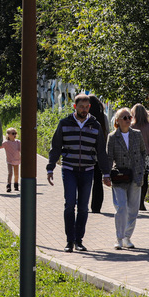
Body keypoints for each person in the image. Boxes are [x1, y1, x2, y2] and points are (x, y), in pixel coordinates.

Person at [47, 92, 111, 252]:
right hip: (69, 169)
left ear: (89, 107)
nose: (84, 109)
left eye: (86, 107)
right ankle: (69, 241)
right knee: (70, 204)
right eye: (81, 107)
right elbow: (56, 146)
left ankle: (79, 240)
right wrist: (50, 166)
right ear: (75, 107)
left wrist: (106, 173)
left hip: (87, 170)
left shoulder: (95, 126)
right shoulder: (65, 123)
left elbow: (101, 151)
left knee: (83, 207)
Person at [107, 107, 145, 249]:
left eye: (129, 117)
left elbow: (143, 152)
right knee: (121, 207)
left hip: (136, 176)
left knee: (133, 209)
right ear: (117, 120)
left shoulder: (137, 134)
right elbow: (109, 157)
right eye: (124, 118)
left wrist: (141, 169)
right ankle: (119, 238)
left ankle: (127, 237)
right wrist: (106, 175)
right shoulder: (112, 137)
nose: (128, 120)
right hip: (120, 177)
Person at [130, 104, 149, 211]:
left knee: (135, 179)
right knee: (145, 179)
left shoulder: (132, 126)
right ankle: (142, 202)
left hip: (135, 154)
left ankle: (135, 202)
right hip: (148, 154)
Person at [89, 94, 109, 213]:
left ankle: (83, 204)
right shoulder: (103, 118)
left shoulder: (85, 118)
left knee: (84, 181)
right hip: (99, 154)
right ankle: (96, 206)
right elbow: (107, 133)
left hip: (86, 155)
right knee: (97, 181)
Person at [0, 127, 21, 193]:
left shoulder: (18, 142)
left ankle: (16, 185)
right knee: (10, 173)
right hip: (9, 160)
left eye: (15, 133)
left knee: (16, 174)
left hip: (17, 160)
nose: (14, 135)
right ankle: (8, 185)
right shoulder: (6, 143)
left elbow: (21, 149)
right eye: (13, 133)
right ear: (8, 134)